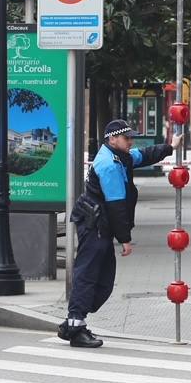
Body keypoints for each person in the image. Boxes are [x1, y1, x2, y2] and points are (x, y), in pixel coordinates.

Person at [62, 119, 181, 349]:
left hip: (100, 225)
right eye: (127, 138)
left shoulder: (120, 156)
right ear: (112, 139)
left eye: (131, 138)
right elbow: (116, 205)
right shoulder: (108, 164)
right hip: (94, 225)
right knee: (89, 275)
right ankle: (75, 326)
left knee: (103, 279)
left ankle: (74, 321)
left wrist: (170, 147)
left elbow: (144, 155)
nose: (131, 142)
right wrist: (125, 239)